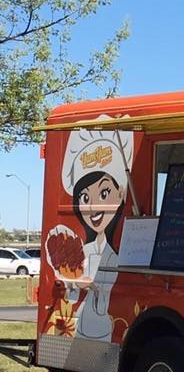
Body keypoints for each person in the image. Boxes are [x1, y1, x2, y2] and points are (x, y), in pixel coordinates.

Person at [58, 125, 132, 340]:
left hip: (102, 330)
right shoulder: (81, 250)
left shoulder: (116, 257)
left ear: (120, 194)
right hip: (79, 328)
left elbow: (107, 301)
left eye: (104, 192)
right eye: (85, 198)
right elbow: (70, 298)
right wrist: (70, 283)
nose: (94, 207)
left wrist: (92, 285)